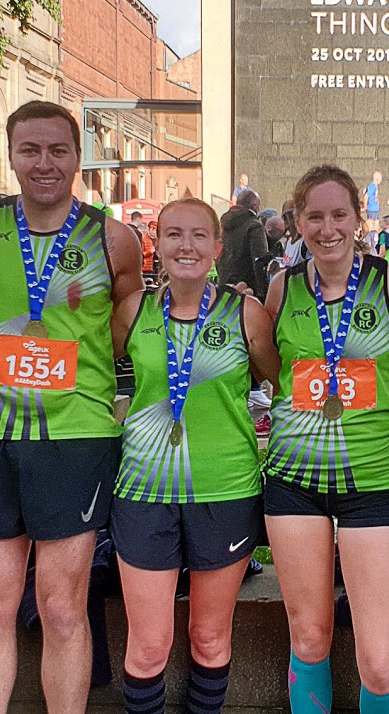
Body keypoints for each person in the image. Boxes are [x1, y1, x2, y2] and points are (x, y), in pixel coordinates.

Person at [0, 101, 143, 712]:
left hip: (75, 438)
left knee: (63, 607)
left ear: (78, 157)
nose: (44, 163)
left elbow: (128, 331)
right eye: (29, 150)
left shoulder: (114, 239)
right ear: (10, 157)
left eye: (58, 150)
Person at [108, 198, 280, 713]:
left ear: (217, 247)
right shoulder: (132, 310)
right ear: (155, 245)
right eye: (174, 234)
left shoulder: (246, 312)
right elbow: (93, 374)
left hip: (225, 490)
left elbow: (286, 384)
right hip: (143, 492)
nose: (186, 246)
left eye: (199, 235)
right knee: (148, 644)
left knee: (209, 637)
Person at [263, 164, 389, 714]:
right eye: (314, 216)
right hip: (292, 482)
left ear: (359, 218)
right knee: (308, 639)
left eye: (339, 215)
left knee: (379, 661)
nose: (327, 229)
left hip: (370, 482)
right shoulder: (281, 287)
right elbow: (268, 369)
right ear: (297, 222)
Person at [219, 188, 269, 297]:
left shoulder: (223, 223)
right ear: (255, 206)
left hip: (224, 280)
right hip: (246, 287)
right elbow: (260, 260)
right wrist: (262, 291)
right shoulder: (254, 225)